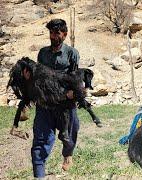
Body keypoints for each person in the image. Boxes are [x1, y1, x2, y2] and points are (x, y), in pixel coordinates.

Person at [31, 18, 80, 178]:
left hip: (65, 104)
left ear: (64, 35)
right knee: (41, 140)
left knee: (70, 136)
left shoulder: (72, 53)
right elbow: (38, 76)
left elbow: (75, 78)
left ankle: (67, 154)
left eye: (57, 33)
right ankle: (39, 175)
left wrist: (73, 92)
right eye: (51, 33)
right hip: (45, 104)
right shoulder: (42, 53)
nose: (53, 36)